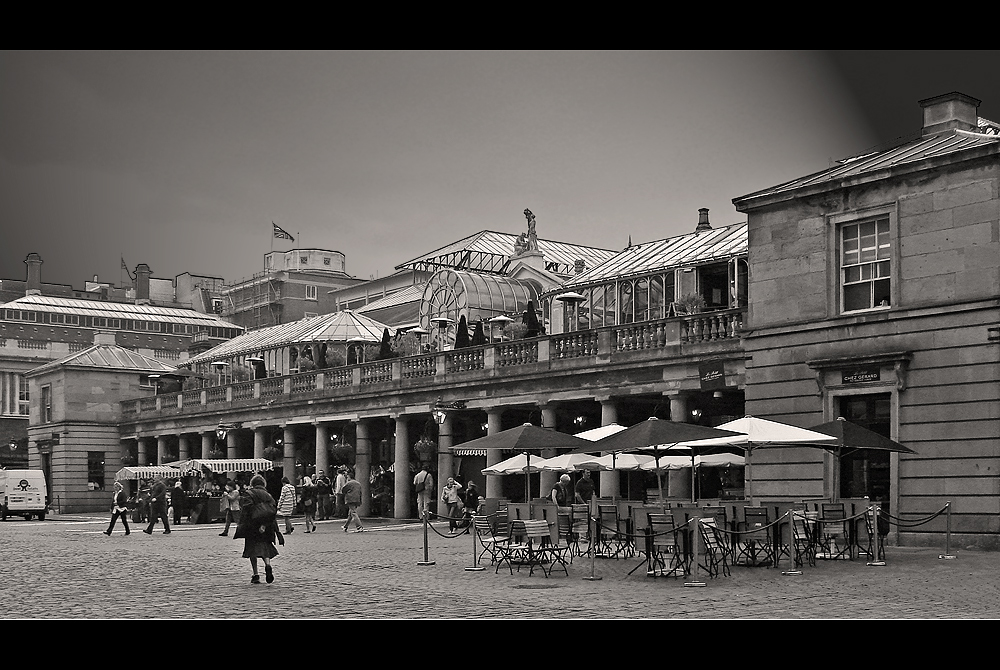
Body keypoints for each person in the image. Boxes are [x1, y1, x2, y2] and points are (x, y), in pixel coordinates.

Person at [234, 474, 280, 584]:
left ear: (252, 484)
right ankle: (268, 565)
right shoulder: (268, 495)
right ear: (263, 484)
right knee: (265, 547)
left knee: (252, 549)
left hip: (253, 525)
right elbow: (273, 510)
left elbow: (246, 509)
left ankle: (256, 574)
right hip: (266, 525)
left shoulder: (249, 493)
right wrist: (265, 524)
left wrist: (242, 523)